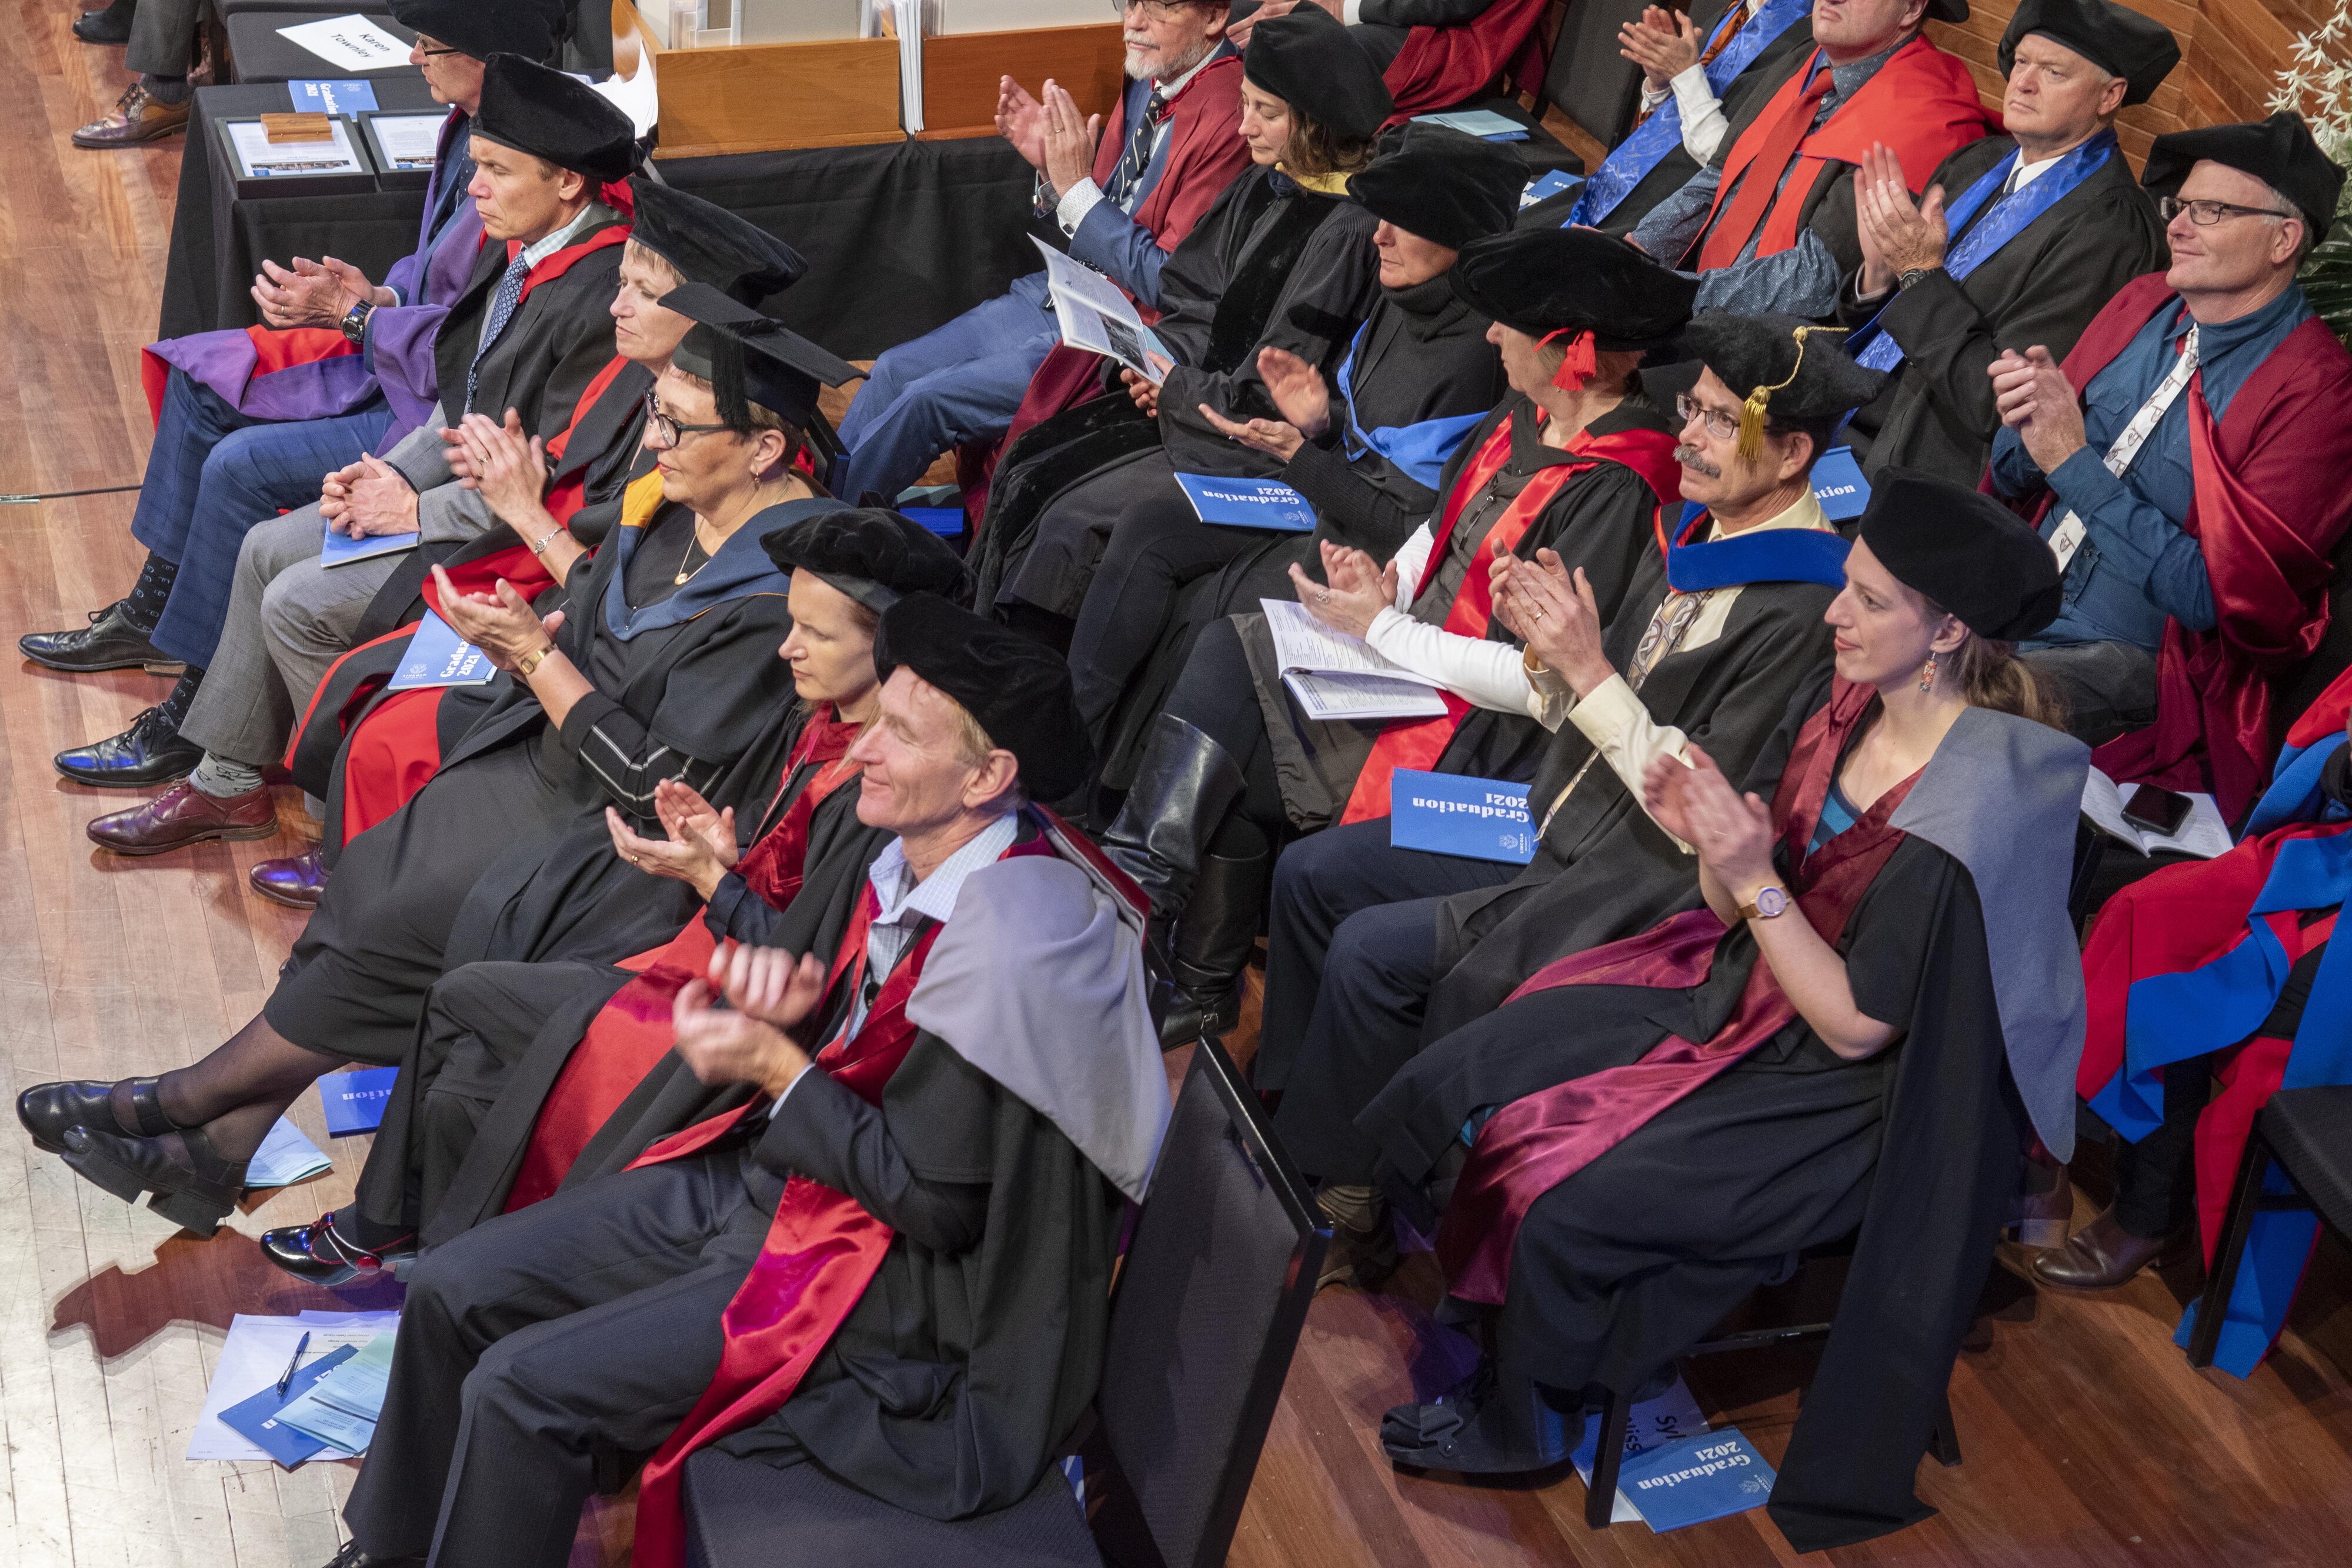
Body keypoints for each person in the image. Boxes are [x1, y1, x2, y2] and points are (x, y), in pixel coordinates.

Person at [313, 594, 1161, 1568]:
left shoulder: (1013, 945)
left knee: (520, 1388)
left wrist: (776, 1066)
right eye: (876, 719)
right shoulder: (909, 853)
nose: (862, 748)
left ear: (988, 775)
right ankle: (392, 1548)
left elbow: (936, 1205)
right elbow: (831, 1002)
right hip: (780, 1181)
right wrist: (728, 900)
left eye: (899, 733)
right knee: (451, 1284)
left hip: (878, 1279)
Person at [16, 291, 856, 1236]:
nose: (652, 438)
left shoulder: (781, 589)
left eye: (677, 423)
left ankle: (184, 1104)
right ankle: (217, 1141)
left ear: (765, 447)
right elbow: (601, 604)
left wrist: (537, 657)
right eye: (655, 411)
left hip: (616, 840)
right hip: (543, 757)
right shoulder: (674, 504)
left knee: (396, 912)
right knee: (376, 866)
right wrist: (542, 632)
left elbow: (662, 784)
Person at [1368, 473, 2085, 1557]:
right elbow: (1733, 899)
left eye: (1867, 600)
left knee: (1567, 1202)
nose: (1834, 614)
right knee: (1474, 1071)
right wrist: (1717, 844)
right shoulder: (1847, 704)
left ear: (1944, 633)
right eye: (1845, 586)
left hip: (1836, 1088)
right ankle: (1501, 1344)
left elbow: (1856, 1026)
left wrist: (1750, 877)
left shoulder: (1964, 812)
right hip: (1739, 984)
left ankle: (1529, 1418)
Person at [1260, 313, 1877, 1267]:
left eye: (1720, 421)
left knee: (1372, 953)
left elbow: (1702, 811)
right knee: (1311, 873)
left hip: (1632, 878)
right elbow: (1578, 693)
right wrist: (1549, 655)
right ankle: (1290, 1124)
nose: (1688, 437)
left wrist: (1585, 671)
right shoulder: (1692, 531)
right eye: (1691, 409)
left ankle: (1347, 1202)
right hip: (1548, 811)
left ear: (1793, 452)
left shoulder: (1803, 611)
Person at [260, 509, 970, 1286]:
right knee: (461, 998)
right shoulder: (819, 720)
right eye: (793, 623)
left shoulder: (879, 790)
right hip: (702, 945)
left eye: (816, 634)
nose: (786, 646)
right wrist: (723, 851)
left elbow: (810, 968)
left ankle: (448, 1266)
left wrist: (716, 879)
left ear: (887, 648)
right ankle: (408, 1236)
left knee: (484, 1031)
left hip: (733, 1013)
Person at [1106, 225, 1695, 1043]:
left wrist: (1384, 627)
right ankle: (1153, 916)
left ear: (1570, 352)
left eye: (1509, 323)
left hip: (1483, 730)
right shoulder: (1525, 414)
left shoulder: (1622, 485)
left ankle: (1148, 932)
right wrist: (1391, 583)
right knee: (1224, 645)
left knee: (1235, 749)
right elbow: (1439, 524)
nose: (1490, 334)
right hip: (1410, 655)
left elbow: (1541, 679)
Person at [51, 51, 636, 801]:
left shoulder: (596, 302)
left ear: (568, 182)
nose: (476, 188)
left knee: (296, 601)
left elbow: (542, 485)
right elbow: (465, 398)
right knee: (263, 546)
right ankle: (227, 781)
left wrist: (412, 508)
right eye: (478, 166)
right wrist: (392, 473)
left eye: (497, 170)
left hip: (513, 543)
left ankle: (347, 820)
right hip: (455, 488)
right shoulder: (523, 247)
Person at [225, 179, 809, 905]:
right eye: (621, 284)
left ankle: (375, 882)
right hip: (571, 607)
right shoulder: (643, 386)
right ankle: (358, 867)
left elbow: (627, 583)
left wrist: (520, 520)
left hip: (597, 657)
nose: (617, 305)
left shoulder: (731, 456)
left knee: (390, 716)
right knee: (359, 676)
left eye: (643, 292)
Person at [27, 1, 558, 680]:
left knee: (238, 465)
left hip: (423, 410)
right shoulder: (464, 128)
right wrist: (379, 294)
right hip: (390, 350)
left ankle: (196, 668)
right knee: (202, 375)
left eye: (429, 45)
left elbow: (468, 347)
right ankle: (152, 609)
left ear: (484, 58)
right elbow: (433, 270)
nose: (413, 57)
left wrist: (355, 316)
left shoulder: (521, 180)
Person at [1065, 121, 1517, 788]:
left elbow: (1414, 528)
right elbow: (1366, 444)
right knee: (1148, 526)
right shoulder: (1401, 298)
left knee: (1209, 616)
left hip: (1373, 562)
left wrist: (1305, 455)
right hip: (1323, 496)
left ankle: (1122, 788)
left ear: (1459, 235)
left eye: (1402, 223)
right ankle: (1072, 745)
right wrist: (1321, 420)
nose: (1378, 236)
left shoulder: (1481, 357)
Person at [976, 3, 1390, 642]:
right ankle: (982, 637)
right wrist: (1156, 356)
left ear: (1314, 123)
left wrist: (1174, 385)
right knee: (1028, 463)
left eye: (1266, 112)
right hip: (1193, 399)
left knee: (1068, 519)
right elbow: (1192, 293)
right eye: (1244, 104)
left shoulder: (1347, 231)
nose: (1244, 125)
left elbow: (1274, 384)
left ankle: (1032, 665)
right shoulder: (1265, 184)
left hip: (1242, 443)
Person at [1989, 111, 2352, 803]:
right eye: (2179, 207)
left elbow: (2214, 598)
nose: (2178, 226)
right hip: (2010, 588)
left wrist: (2072, 461)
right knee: (1871, 614)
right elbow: (2014, 474)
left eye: (2210, 210)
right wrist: (2027, 419)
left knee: (1976, 702)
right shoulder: (2142, 303)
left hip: (2143, 659)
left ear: (2283, 239)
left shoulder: (2320, 392)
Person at [830, 0, 1247, 506]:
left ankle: (815, 532)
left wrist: (1076, 190)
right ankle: (808, 508)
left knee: (926, 402)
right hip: (1067, 289)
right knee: (894, 370)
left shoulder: (1231, 116)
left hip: (1118, 333)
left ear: (1214, 17)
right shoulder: (1150, 73)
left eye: (1159, 7)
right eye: (1130, 2)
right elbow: (1104, 211)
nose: (1134, 22)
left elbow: (1169, 283)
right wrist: (1055, 177)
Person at [2043, 669, 2352, 1320]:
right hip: (2326, 860)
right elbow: (2318, 750)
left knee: (2213, 994)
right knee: (2148, 916)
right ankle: (2057, 1142)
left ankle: (2150, 1214)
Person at [1837, 0, 2176, 483]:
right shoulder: (1978, 162)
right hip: (1854, 408)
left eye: (2053, 72)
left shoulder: (2112, 231)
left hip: (1919, 467)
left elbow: (1999, 408)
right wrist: (1876, 279)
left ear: (2109, 95)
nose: (2023, 83)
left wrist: (1918, 274)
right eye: (2020, 62)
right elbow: (1887, 317)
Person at [1626, 0, 1990, 319]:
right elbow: (1719, 177)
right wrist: (1636, 254)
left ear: (1910, 9)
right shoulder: (1809, 58)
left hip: (1765, 339)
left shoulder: (1928, 117)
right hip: (1693, 292)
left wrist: (1672, 294)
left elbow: (1816, 278)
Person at [1555, 0, 1817, 234]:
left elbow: (1741, 173)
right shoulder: (1737, 12)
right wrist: (1662, 84)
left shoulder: (1809, 47)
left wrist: (1685, 75)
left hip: (1670, 224)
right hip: (1615, 187)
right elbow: (1675, 123)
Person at [1227, 0, 1552, 122]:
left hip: (1442, 32)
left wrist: (1343, 8)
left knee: (1310, 46)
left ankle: (1303, 185)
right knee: (1232, 10)